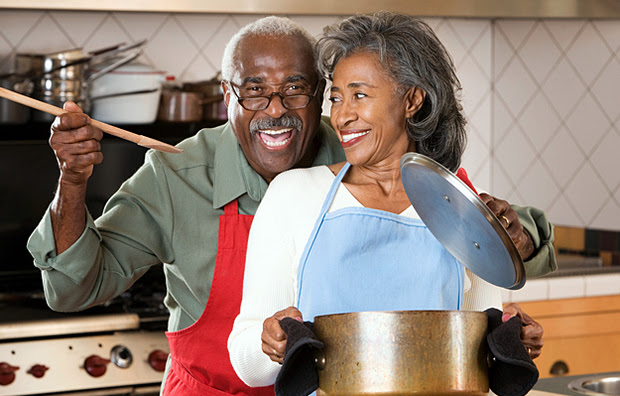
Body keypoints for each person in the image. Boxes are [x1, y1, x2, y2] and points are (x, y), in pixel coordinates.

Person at [27, 15, 552, 396]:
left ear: (316, 93)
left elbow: (490, 247)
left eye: (296, 90)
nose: (275, 110)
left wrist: (520, 242)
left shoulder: (362, 148)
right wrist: (72, 180)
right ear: (226, 97)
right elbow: (73, 288)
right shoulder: (178, 177)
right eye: (254, 91)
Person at [228, 12, 549, 389]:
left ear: (412, 100)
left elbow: (482, 358)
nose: (342, 115)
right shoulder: (294, 195)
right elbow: (247, 365)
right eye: (336, 97)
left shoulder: (457, 207)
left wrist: (513, 339)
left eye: (359, 95)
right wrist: (269, 343)